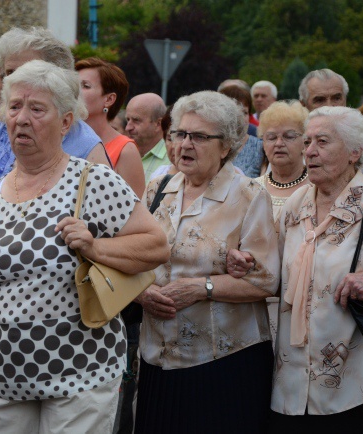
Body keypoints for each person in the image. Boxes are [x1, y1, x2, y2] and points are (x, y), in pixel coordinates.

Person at [0, 59, 169, 434]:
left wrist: (95, 248)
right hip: (3, 374)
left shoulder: (92, 181)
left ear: (65, 123)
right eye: (14, 107)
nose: (21, 118)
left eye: (36, 108)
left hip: (80, 375)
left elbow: (156, 246)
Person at [230, 106, 363, 433]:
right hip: (294, 384)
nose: (309, 150)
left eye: (322, 142)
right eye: (308, 141)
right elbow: (276, 274)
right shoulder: (297, 205)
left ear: (355, 152)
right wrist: (247, 263)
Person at [0, 26, 110, 434]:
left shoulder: (87, 149)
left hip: (59, 326)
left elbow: (113, 239)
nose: (10, 84)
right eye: (8, 74)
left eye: (23, 71)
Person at [135, 91, 280, 433]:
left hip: (223, 363)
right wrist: (140, 293)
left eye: (199, 137)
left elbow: (266, 279)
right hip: (157, 356)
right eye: (180, 134)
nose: (185, 144)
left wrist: (203, 288)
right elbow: (134, 258)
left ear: (227, 145)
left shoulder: (249, 195)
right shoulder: (159, 187)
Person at [298, 68, 363, 180]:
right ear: (303, 105)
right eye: (320, 100)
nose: (330, 105)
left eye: (336, 98)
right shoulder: (290, 139)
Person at [76, 57, 145, 197]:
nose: (75, 92)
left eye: (85, 86)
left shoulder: (126, 151)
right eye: (74, 85)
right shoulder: (61, 139)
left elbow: (135, 211)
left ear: (109, 99)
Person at [254, 100, 310, 222]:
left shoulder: (317, 188)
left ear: (305, 142)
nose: (279, 143)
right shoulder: (251, 189)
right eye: (271, 137)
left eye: (289, 136)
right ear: (263, 143)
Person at [220, 85, 265, 177]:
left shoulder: (260, 147)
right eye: (236, 113)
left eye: (244, 112)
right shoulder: (212, 145)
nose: (241, 119)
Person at [125, 93, 169, 183]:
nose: (127, 128)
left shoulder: (173, 160)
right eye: (128, 120)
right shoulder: (123, 153)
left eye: (136, 120)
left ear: (158, 124)